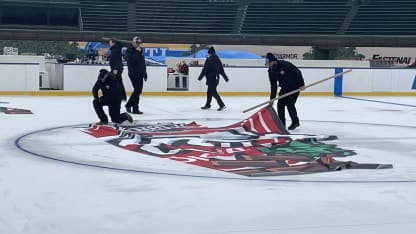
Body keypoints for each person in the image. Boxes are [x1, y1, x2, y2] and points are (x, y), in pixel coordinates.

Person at [266, 52, 305, 130]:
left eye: (269, 63)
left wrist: (301, 84)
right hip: (284, 88)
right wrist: (272, 99)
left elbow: (297, 72)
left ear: (273, 61)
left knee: (290, 104)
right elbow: (273, 86)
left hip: (295, 87)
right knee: (280, 105)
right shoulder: (271, 71)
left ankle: (295, 122)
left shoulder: (285, 65)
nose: (268, 65)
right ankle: (281, 124)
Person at [197, 46, 229, 111]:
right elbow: (221, 70)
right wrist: (225, 77)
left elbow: (205, 69)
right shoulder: (217, 59)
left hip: (211, 78)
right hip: (216, 78)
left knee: (213, 92)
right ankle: (207, 105)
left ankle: (222, 105)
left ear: (209, 53)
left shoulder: (209, 59)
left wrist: (200, 77)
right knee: (209, 92)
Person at [124, 36, 147, 114]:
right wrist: (137, 52)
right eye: (137, 43)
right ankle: (128, 105)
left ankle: (135, 109)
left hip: (140, 73)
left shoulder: (140, 50)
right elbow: (131, 61)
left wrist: (144, 73)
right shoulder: (129, 50)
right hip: (133, 73)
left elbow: (142, 62)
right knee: (137, 90)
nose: (138, 45)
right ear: (133, 43)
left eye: (139, 43)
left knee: (138, 91)